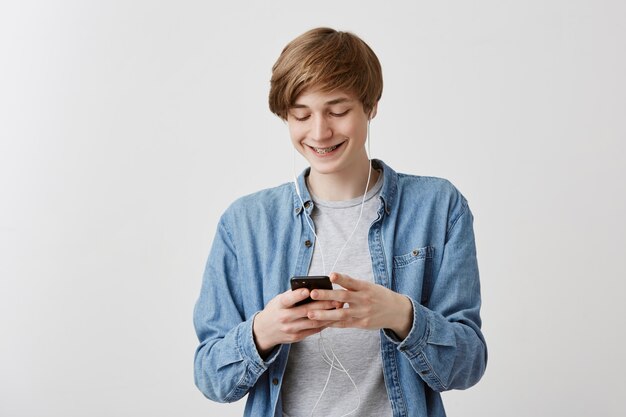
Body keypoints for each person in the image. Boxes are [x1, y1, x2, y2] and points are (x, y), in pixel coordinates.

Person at [193, 27, 487, 417]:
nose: (319, 132)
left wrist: (401, 315)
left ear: (371, 105)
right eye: (301, 114)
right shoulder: (245, 223)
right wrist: (265, 330)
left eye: (338, 111)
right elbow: (211, 377)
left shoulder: (438, 207)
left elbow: (467, 365)